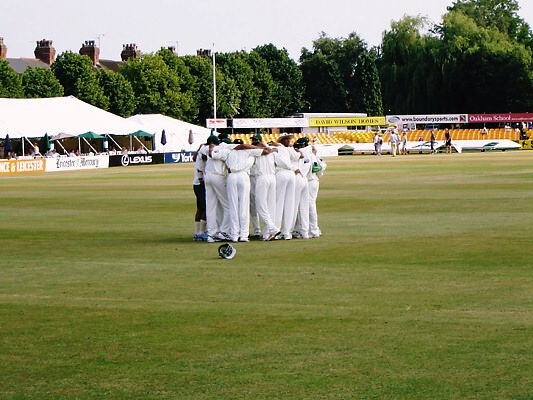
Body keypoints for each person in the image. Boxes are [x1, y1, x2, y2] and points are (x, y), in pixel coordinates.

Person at [225, 140, 270, 242]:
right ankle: (244, 235)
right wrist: (254, 147)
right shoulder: (249, 151)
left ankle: (234, 235)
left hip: (231, 176)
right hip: (243, 176)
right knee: (243, 206)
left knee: (233, 206)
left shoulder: (229, 151)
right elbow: (267, 151)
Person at [249, 134, 279, 241]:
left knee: (260, 205)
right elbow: (274, 150)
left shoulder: (256, 151)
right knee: (270, 205)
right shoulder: (270, 150)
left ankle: (272, 227)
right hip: (272, 178)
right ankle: (267, 234)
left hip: (262, 178)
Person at [272, 133, 300, 240]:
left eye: (289, 139)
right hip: (289, 174)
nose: (289, 141)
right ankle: (283, 231)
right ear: (281, 141)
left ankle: (285, 231)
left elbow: (297, 156)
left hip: (284, 173)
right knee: (284, 203)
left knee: (284, 203)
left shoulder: (286, 149)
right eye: (286, 139)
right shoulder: (279, 148)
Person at [192, 142, 208, 241]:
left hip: (197, 183)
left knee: (200, 208)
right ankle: (201, 232)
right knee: (206, 208)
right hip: (201, 183)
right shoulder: (202, 155)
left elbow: (194, 158)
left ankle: (197, 232)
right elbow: (200, 169)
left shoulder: (199, 154)